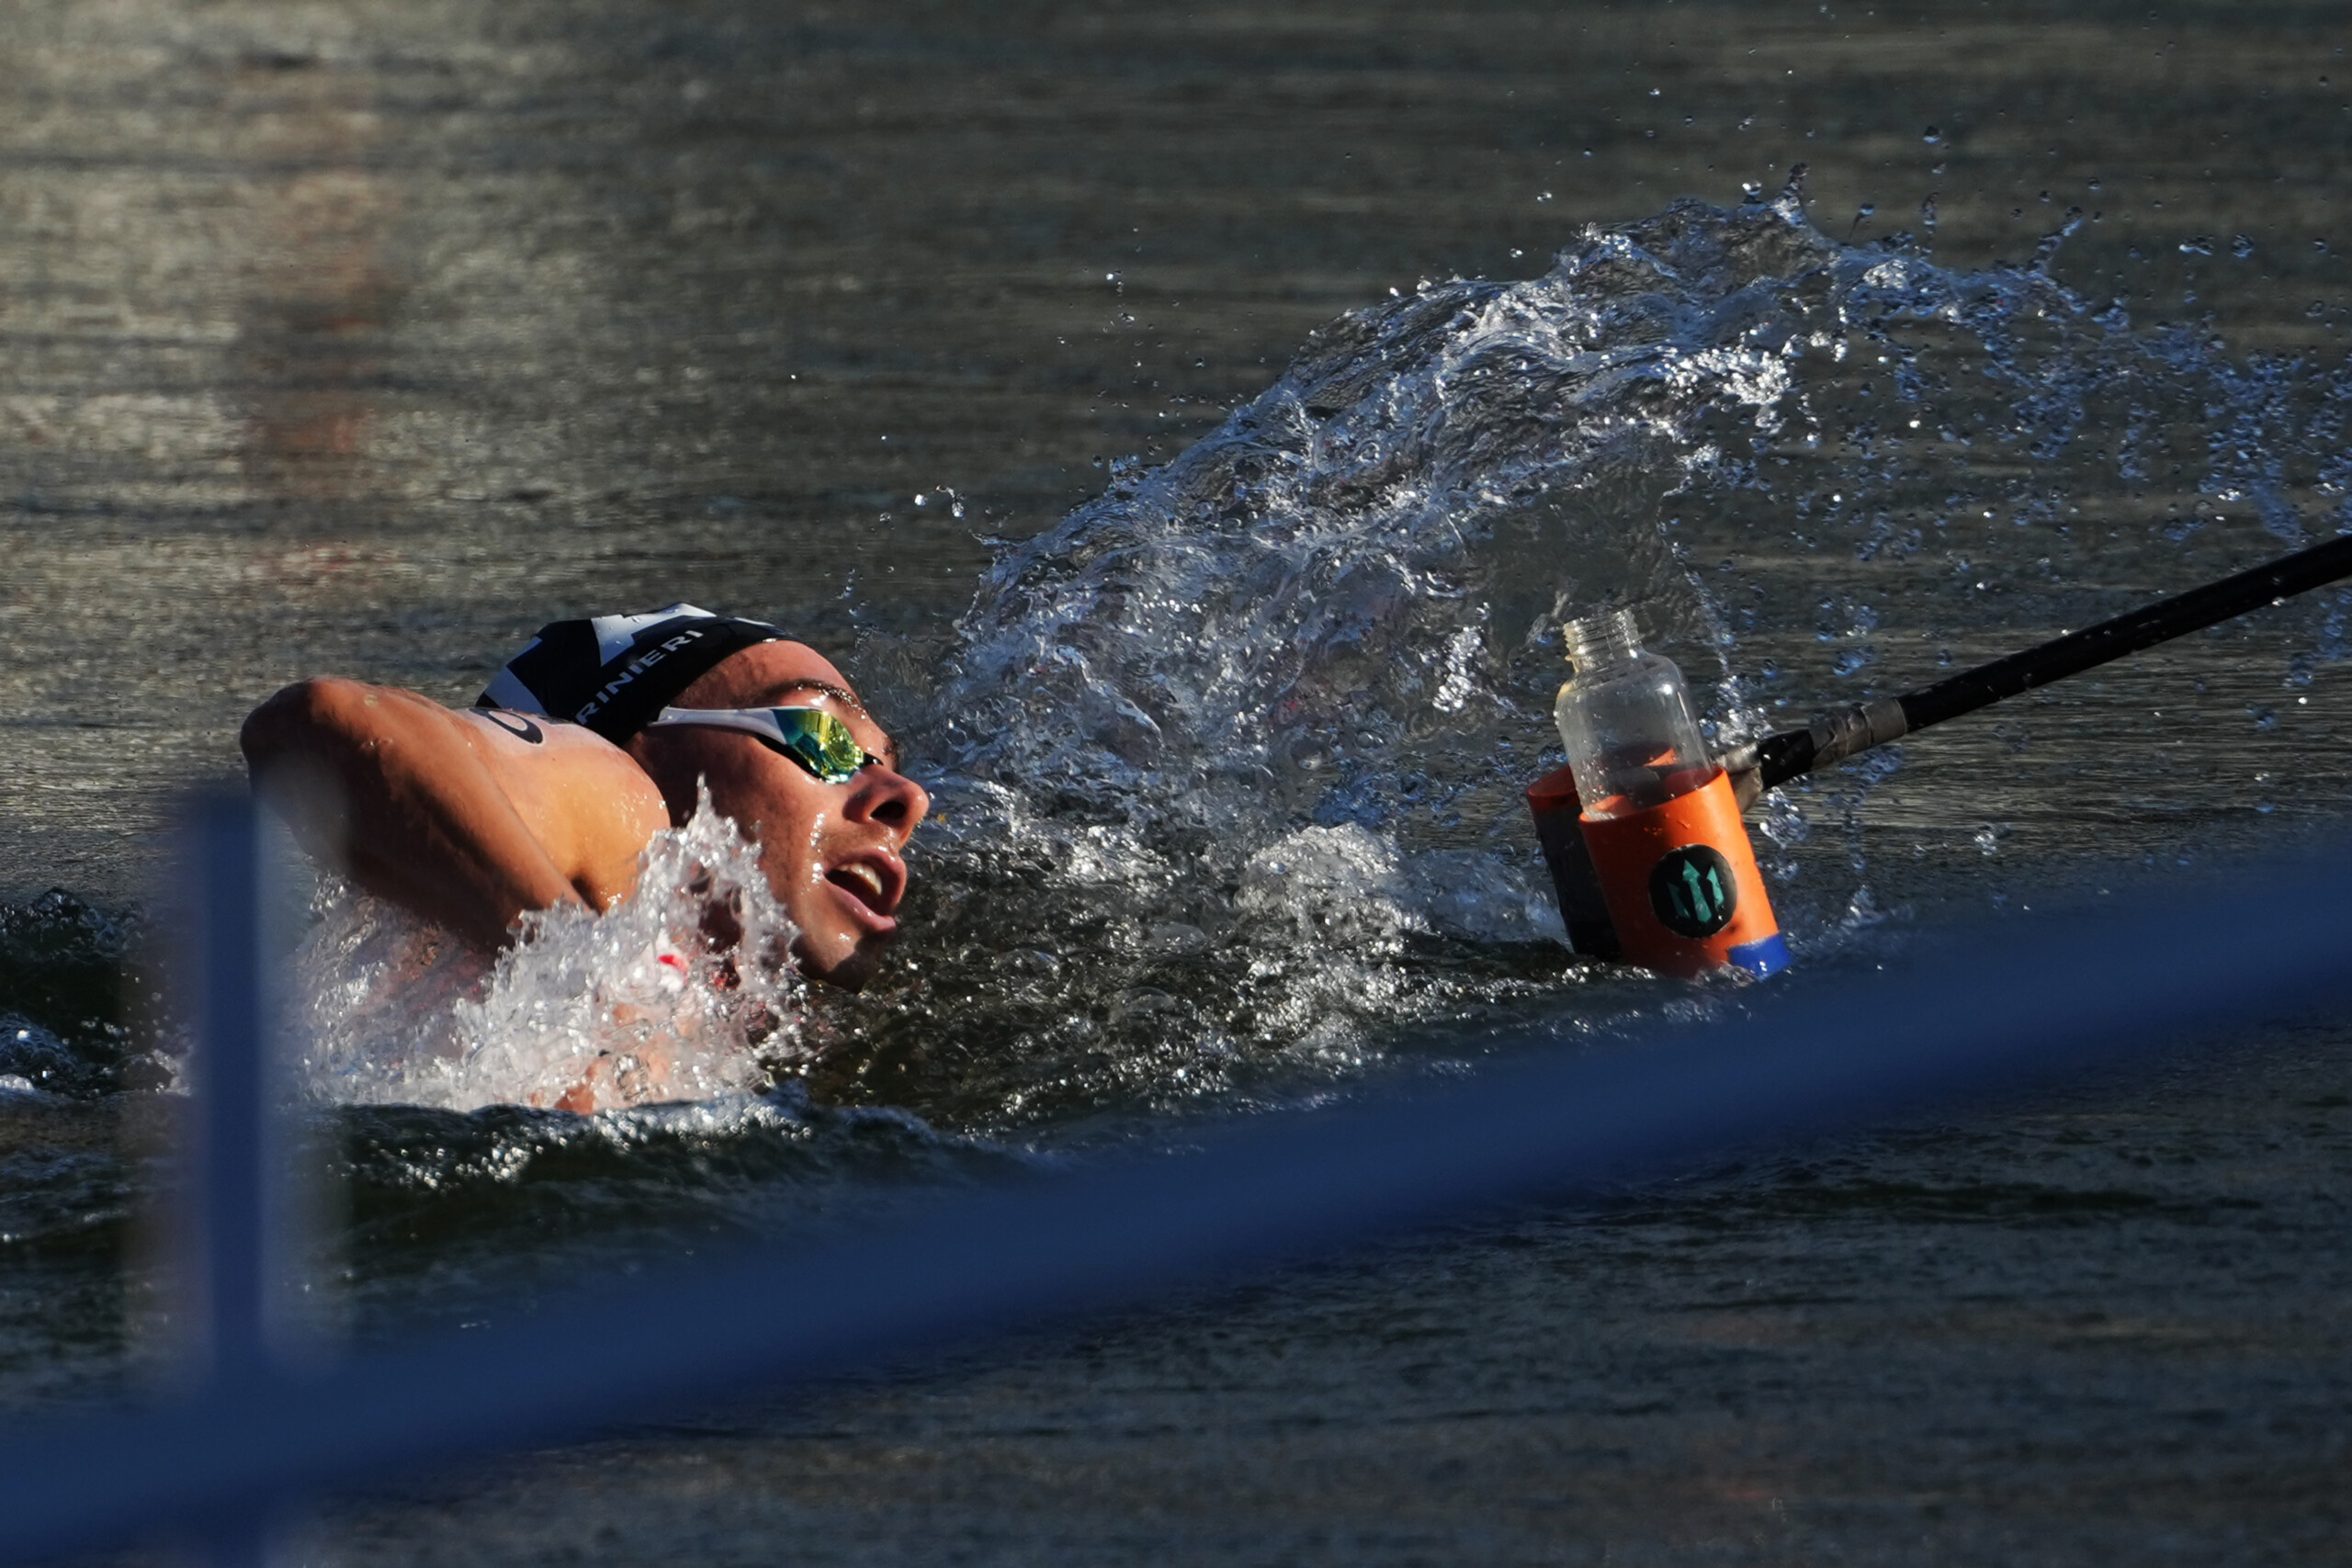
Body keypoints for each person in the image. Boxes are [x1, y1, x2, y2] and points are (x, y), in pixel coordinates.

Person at [240, 605, 930, 993]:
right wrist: (583, 974)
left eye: (883, 762)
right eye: (824, 739)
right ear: (649, 747)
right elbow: (318, 725)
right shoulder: (627, 803)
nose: (906, 798)